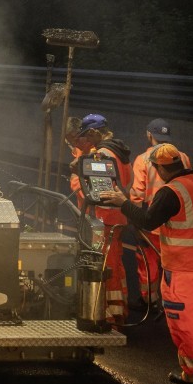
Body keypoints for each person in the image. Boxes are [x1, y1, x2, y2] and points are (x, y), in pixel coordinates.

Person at [119, 144, 193, 384]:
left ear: (159, 169)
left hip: (183, 269)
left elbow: (148, 221)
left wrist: (123, 204)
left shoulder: (171, 192)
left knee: (185, 321)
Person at [66, 113, 135, 326]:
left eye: (88, 136)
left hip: (103, 218)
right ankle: (119, 308)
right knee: (115, 262)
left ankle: (109, 314)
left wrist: (77, 176)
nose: (87, 141)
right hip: (117, 216)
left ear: (95, 132)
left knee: (105, 264)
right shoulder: (119, 152)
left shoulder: (102, 154)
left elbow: (96, 190)